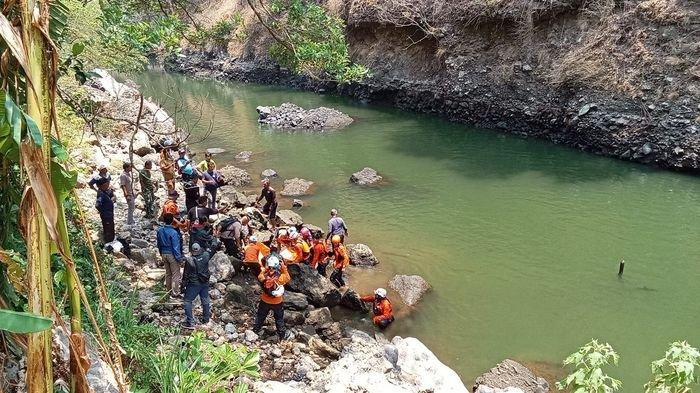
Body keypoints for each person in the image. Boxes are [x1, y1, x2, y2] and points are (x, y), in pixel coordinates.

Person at [253, 255, 291, 340]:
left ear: (268, 265)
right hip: (277, 302)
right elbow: (288, 277)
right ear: (278, 265)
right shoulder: (281, 277)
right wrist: (284, 268)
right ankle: (282, 335)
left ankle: (255, 330)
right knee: (279, 319)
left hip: (264, 300)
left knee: (260, 316)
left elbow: (260, 277)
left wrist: (264, 269)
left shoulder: (263, 276)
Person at [181, 242, 211, 329]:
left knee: (187, 301)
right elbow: (212, 248)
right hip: (205, 281)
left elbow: (185, 275)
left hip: (194, 283)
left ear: (192, 251)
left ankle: (190, 322)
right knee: (205, 299)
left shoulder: (190, 260)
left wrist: (183, 286)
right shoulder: (206, 255)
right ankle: (206, 319)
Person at [157, 213, 184, 298]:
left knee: (168, 273)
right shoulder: (174, 232)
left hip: (164, 253)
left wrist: (161, 253)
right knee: (176, 274)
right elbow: (176, 247)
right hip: (172, 254)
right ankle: (175, 292)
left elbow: (158, 244)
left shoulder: (160, 230)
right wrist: (179, 259)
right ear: (172, 220)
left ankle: (168, 291)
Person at [95, 178, 116, 243]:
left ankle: (111, 240)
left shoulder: (105, 191)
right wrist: (104, 212)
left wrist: (112, 199)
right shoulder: (101, 194)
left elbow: (112, 195)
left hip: (109, 214)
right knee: (108, 229)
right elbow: (97, 205)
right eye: (106, 185)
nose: (108, 186)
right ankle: (108, 241)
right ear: (102, 185)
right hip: (106, 215)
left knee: (111, 227)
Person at [119, 162, 137, 226]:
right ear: (126, 168)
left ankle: (131, 219)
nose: (131, 168)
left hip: (131, 192)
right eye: (130, 167)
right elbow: (123, 186)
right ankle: (130, 221)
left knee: (132, 207)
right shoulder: (123, 175)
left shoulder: (128, 174)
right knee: (131, 207)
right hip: (128, 194)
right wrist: (126, 195)